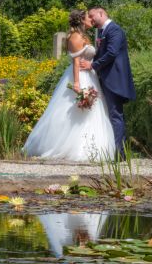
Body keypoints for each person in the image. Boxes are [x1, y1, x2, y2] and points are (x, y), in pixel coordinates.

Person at [22, 9, 115, 161]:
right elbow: (76, 61)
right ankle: (72, 148)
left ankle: (94, 147)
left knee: (93, 111)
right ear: (81, 20)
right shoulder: (75, 37)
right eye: (88, 17)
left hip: (90, 75)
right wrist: (77, 83)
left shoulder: (84, 35)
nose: (91, 19)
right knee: (79, 111)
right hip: (81, 76)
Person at [80, 7, 136, 159]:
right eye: (89, 18)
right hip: (106, 79)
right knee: (110, 115)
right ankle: (115, 151)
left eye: (92, 17)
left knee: (115, 115)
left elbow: (111, 53)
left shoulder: (114, 30)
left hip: (114, 80)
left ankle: (120, 155)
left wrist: (92, 66)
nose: (90, 20)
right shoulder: (102, 31)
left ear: (101, 13)